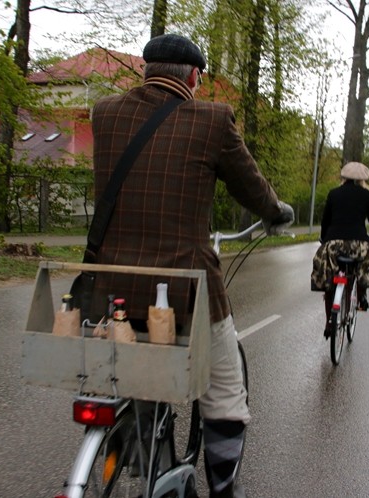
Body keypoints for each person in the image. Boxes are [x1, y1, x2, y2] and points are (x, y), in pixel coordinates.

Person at [89, 33, 294, 498]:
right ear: (195, 77)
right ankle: (223, 489)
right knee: (224, 393)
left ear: (146, 70)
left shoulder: (104, 114)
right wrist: (275, 210)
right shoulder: (213, 119)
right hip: (184, 293)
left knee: (123, 371)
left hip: (109, 288)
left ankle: (128, 454)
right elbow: (252, 188)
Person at [310, 162, 369, 337]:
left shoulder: (333, 194)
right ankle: (361, 298)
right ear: (362, 179)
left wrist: (324, 239)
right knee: (364, 266)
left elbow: (325, 220)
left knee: (329, 278)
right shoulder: (367, 195)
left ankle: (330, 322)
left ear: (343, 177)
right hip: (358, 244)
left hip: (334, 244)